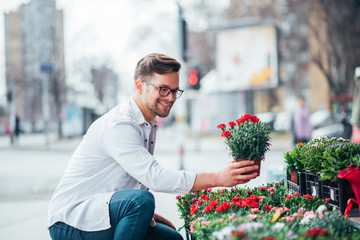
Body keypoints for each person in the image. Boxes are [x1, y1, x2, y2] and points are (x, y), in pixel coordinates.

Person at [47, 53, 259, 240]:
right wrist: (217, 178)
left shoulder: (148, 122)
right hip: (72, 220)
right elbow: (154, 177)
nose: (171, 98)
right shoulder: (119, 125)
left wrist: (143, 215)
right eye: (164, 89)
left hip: (103, 211)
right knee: (142, 201)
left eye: (175, 91)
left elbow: (131, 180)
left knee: (172, 238)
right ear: (139, 86)